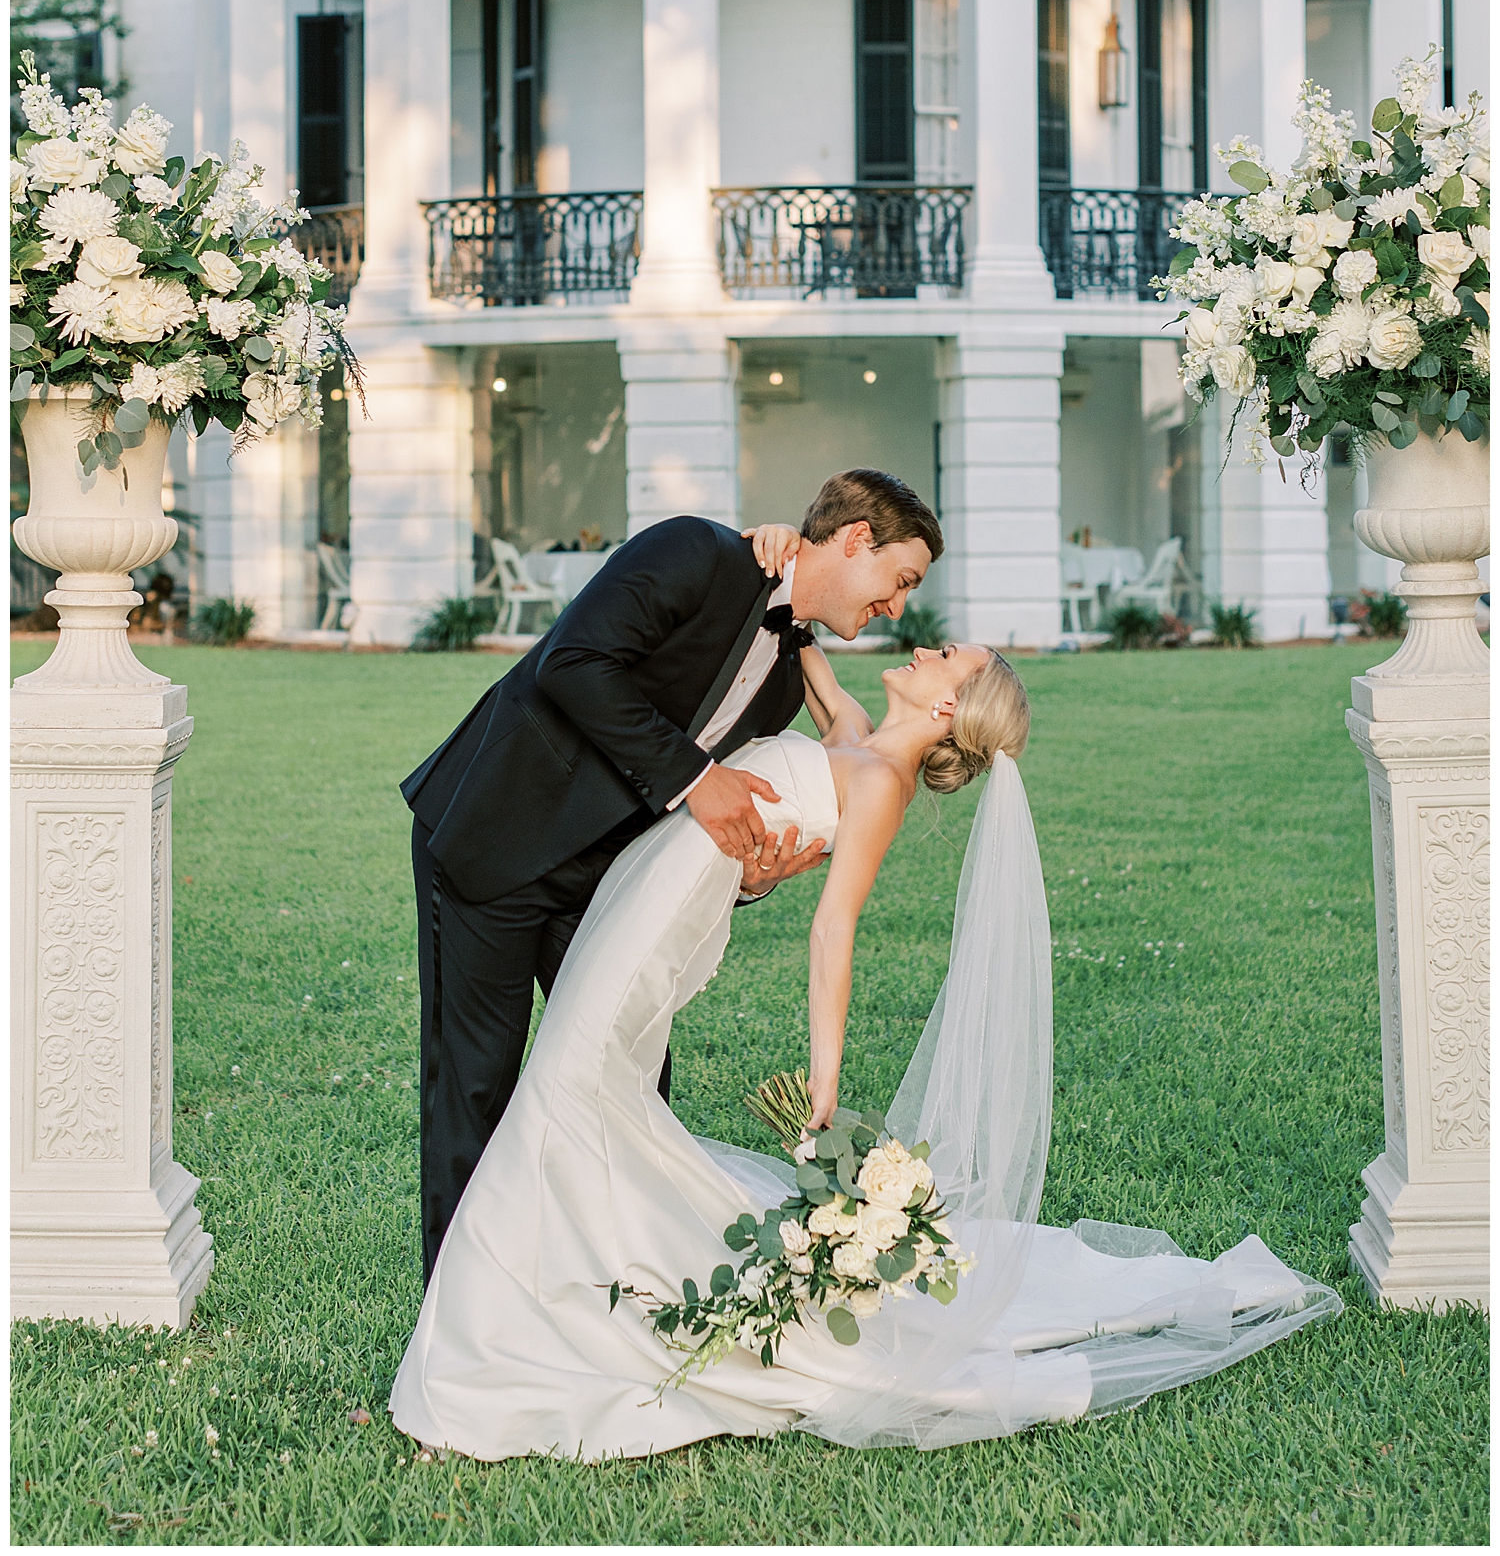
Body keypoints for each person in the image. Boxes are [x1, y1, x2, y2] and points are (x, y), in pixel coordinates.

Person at [390, 533, 1340, 1459]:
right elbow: (798, 629)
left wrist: (824, 1087)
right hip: (626, 919)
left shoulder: (880, 784)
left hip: (642, 938)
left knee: (570, 1102)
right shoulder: (850, 736)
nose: (920, 640)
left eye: (944, 655)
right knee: (583, 1111)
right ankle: (561, 1311)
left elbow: (833, 930)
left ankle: (497, 1359)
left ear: (953, 704)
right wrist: (778, 546)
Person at [401, 469, 942, 1280]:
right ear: (858, 537)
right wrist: (698, 777)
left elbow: (695, 826)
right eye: (901, 579)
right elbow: (573, 663)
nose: (898, 607)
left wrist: (757, 874)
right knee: (474, 1087)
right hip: (497, 836)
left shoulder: (788, 685)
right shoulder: (695, 551)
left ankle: (609, 1292)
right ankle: (459, 1311)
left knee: (630, 1087)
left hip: (604, 887)